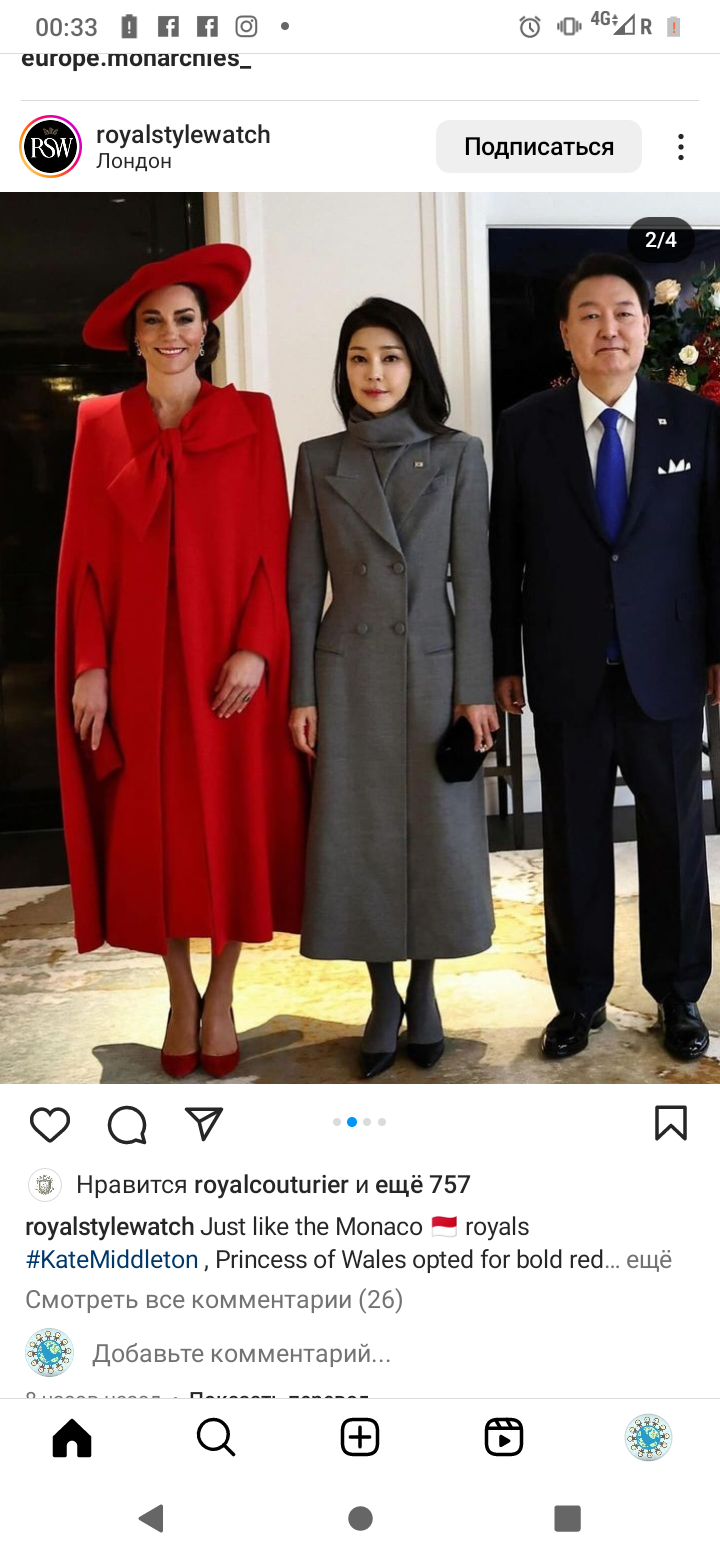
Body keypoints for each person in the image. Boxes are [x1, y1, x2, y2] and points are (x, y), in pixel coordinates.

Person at [56, 243, 307, 1078]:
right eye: (154, 321)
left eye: (185, 318)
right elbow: (84, 562)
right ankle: (177, 993)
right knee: (153, 834)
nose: (171, 333)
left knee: (232, 825)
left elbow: (275, 546)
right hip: (138, 672)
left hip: (229, 671)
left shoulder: (254, 416)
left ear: (207, 330)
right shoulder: (99, 423)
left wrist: (258, 649)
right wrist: (89, 665)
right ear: (135, 336)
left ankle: (223, 992)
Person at [490, 252, 720, 1062]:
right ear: (565, 332)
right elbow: (504, 553)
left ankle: (679, 996)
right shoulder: (526, 426)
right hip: (567, 668)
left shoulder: (694, 422)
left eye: (623, 313)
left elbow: (713, 546)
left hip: (668, 667)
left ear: (647, 327)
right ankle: (580, 1000)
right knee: (574, 839)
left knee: (676, 839)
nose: (608, 329)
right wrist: (503, 658)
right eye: (589, 314)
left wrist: (718, 649)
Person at [288, 298, 498, 1078]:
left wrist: (474, 688)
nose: (373, 373)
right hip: (347, 673)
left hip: (435, 672)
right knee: (358, 836)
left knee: (436, 835)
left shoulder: (458, 454)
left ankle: (426, 986)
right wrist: (301, 691)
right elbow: (302, 586)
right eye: (359, 358)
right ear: (343, 370)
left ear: (416, 367)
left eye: (390, 357)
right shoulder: (318, 458)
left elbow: (474, 582)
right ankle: (381, 994)